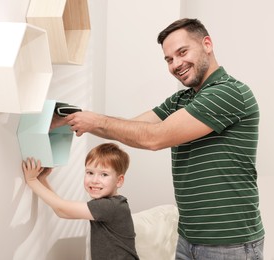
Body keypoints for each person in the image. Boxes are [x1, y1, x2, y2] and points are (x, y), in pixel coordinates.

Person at [59, 18, 265, 259]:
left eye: (182, 52)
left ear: (207, 44)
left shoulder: (228, 92)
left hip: (229, 245)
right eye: (169, 59)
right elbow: (134, 127)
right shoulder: (182, 100)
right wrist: (75, 120)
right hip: (188, 239)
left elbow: (154, 138)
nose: (176, 64)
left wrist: (95, 121)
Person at [22, 143, 140, 260]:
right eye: (90, 173)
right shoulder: (110, 203)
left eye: (104, 174)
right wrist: (42, 180)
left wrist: (32, 180)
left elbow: (61, 209)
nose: (94, 180)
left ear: (119, 181)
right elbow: (60, 208)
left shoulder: (109, 206)